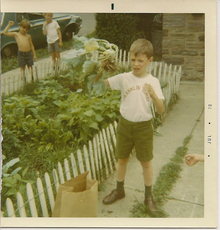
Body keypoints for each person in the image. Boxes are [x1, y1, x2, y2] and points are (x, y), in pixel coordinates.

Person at [95, 39, 165, 212]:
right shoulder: (124, 78)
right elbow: (99, 84)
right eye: (133, 60)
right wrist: (101, 69)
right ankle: (119, 190)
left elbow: (161, 110)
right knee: (122, 159)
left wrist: (154, 96)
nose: (136, 64)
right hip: (125, 125)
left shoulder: (153, 81)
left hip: (143, 127)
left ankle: (148, 195)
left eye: (140, 60)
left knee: (146, 162)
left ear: (150, 61)